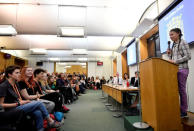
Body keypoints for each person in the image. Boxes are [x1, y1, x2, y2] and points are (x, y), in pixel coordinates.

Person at [0, 65, 60, 131]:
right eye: (17, 73)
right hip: (11, 109)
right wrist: (18, 103)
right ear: (9, 74)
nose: (19, 74)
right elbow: (1, 105)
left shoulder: (15, 84)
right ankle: (50, 121)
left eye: (19, 72)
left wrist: (22, 102)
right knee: (39, 103)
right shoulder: (4, 86)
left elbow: (19, 97)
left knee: (38, 112)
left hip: (19, 104)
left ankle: (40, 129)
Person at [167, 28, 191, 117]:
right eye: (169, 35)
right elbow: (172, 59)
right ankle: (176, 108)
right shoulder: (173, 45)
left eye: (172, 34)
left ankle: (184, 111)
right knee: (174, 90)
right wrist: (169, 54)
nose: (170, 36)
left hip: (182, 69)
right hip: (174, 70)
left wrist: (175, 61)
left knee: (182, 90)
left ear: (178, 34)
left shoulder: (183, 42)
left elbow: (188, 56)